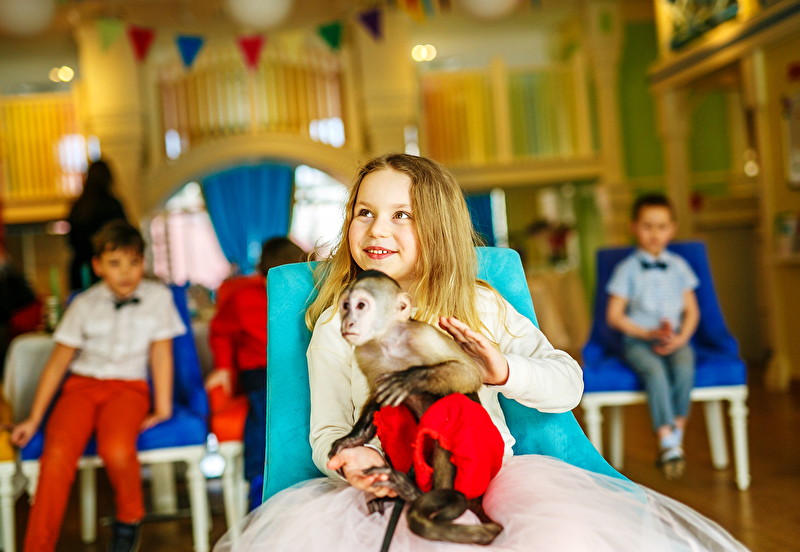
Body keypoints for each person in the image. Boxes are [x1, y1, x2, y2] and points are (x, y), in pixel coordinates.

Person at [214, 154, 747, 552]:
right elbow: (328, 431)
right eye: (364, 212)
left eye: (402, 215)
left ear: (438, 227)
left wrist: (503, 369)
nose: (377, 229)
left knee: (559, 536)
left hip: (495, 477)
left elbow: (568, 384)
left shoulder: (479, 305)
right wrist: (356, 461)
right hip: (395, 488)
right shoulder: (338, 325)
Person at [11, 220, 186, 552]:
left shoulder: (159, 298)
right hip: (80, 387)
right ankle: (37, 545)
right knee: (57, 456)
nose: (125, 272)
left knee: (116, 448)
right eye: (114, 263)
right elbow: (58, 363)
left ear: (144, 262)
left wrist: (163, 408)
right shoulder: (83, 304)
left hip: (129, 388)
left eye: (134, 262)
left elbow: (161, 355)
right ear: (97, 266)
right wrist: (34, 419)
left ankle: (130, 518)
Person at [205, 237, 305, 510]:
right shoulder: (243, 298)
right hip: (260, 369)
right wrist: (223, 367)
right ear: (262, 275)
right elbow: (220, 332)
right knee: (266, 407)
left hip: (299, 367)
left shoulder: (309, 291)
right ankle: (260, 481)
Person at [606, 193, 700, 480]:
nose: (655, 234)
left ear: (672, 229)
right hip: (639, 340)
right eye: (648, 226)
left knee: (685, 365)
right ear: (634, 227)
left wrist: (682, 339)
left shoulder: (680, 266)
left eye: (662, 227)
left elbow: (692, 312)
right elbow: (614, 316)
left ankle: (675, 435)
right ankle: (666, 439)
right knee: (654, 371)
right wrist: (645, 332)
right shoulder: (627, 269)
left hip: (674, 339)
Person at [67, 159, 128, 291]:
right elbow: (125, 238)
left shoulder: (77, 206)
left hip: (81, 266)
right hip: (109, 266)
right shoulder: (113, 205)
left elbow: (71, 241)